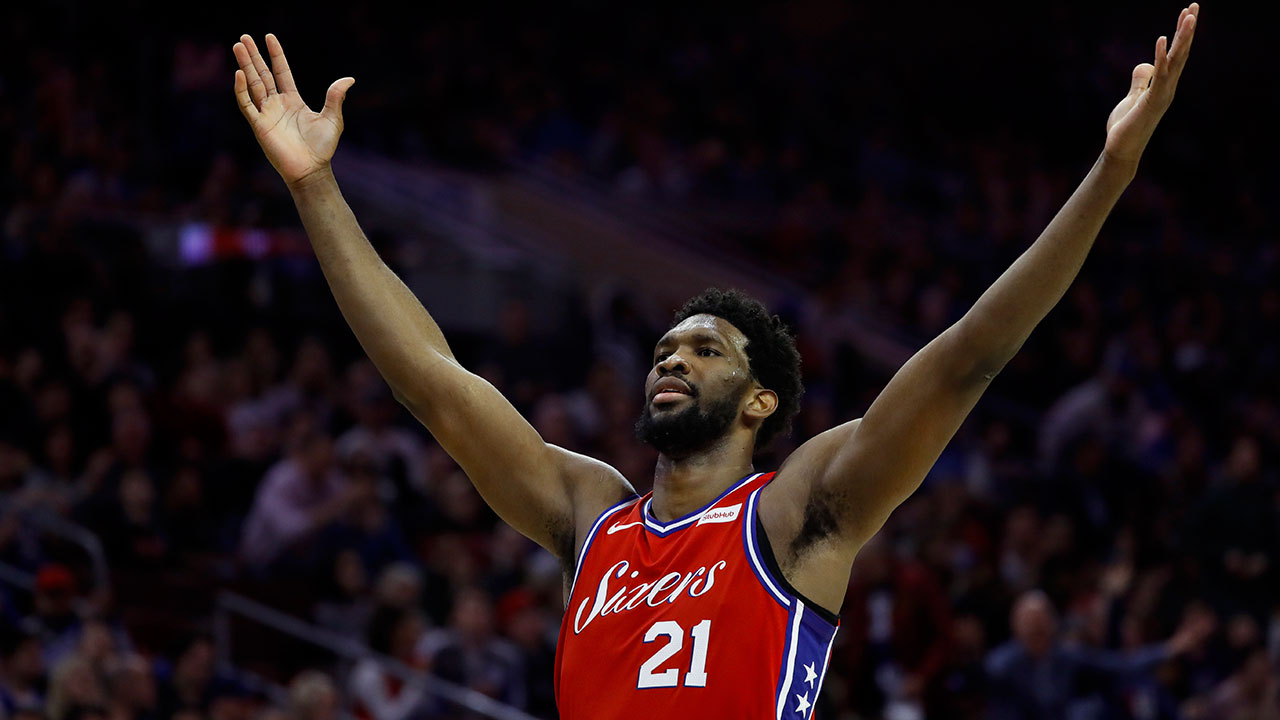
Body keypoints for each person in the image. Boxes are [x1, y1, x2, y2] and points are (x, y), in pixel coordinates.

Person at [232, 4, 1199, 715]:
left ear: (759, 400)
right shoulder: (592, 517)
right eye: (665, 347)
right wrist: (316, 187)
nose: (673, 359)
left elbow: (964, 362)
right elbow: (434, 385)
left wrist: (1110, 171)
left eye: (705, 349)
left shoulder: (795, 511)